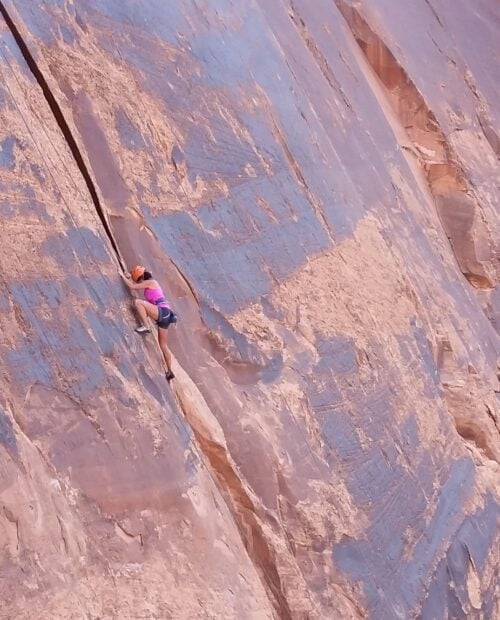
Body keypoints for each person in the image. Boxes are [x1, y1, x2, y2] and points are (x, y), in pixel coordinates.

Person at [120, 265, 176, 381]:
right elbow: (136, 277)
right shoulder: (150, 282)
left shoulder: (150, 282)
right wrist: (129, 275)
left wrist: (121, 276)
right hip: (165, 314)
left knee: (138, 302)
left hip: (162, 311)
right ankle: (170, 371)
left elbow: (132, 286)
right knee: (163, 346)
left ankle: (146, 325)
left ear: (141, 277)